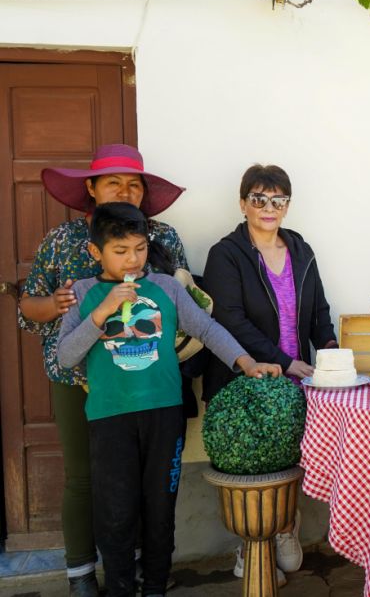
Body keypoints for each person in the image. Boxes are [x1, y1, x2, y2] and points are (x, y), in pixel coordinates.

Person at [56, 202, 282, 597]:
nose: (133, 259)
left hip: (163, 415)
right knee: (116, 513)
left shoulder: (166, 288)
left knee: (160, 510)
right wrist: (102, 313)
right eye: (120, 251)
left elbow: (208, 329)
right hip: (110, 419)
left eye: (140, 248)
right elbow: (65, 356)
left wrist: (246, 362)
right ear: (96, 252)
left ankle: (156, 586)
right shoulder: (83, 293)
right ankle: (121, 588)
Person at [17, 144, 188, 597]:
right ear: (91, 188)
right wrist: (52, 305)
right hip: (77, 378)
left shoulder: (164, 238)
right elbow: (26, 307)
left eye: (134, 183)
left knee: (146, 488)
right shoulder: (61, 239)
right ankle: (82, 575)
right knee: (86, 478)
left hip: (147, 378)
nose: (125, 190)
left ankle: (142, 573)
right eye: (114, 182)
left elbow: (186, 303)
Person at [202, 164, 338, 581]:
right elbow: (230, 319)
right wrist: (281, 361)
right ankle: (251, 546)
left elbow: (318, 311)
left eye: (278, 200)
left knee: (292, 460)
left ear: (287, 206)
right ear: (243, 204)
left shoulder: (301, 250)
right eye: (259, 199)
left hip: (299, 379)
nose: (268, 208)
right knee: (254, 464)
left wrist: (330, 350)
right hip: (246, 382)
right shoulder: (226, 254)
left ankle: (284, 527)